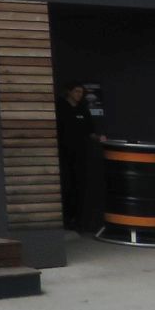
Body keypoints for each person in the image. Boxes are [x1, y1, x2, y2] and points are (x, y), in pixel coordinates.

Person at [55, 82, 91, 228]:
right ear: (69, 92)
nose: (79, 95)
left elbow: (90, 129)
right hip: (63, 152)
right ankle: (65, 218)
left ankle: (76, 219)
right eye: (76, 91)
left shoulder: (83, 109)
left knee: (78, 184)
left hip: (80, 153)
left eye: (81, 92)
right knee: (66, 183)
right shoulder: (60, 107)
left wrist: (98, 137)